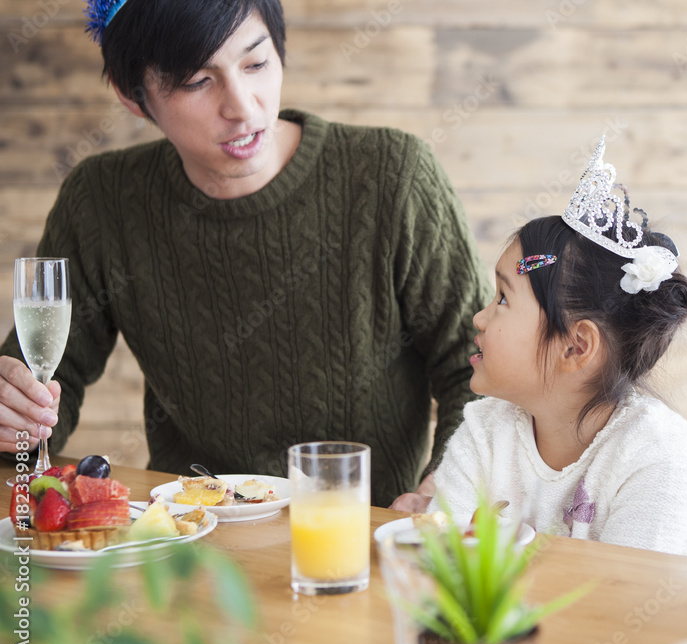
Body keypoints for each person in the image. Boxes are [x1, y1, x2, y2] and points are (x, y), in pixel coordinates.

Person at [0, 0, 490, 507]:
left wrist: (444, 489)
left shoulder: (393, 176)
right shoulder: (101, 201)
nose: (243, 106)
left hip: (359, 543)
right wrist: (16, 423)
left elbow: (478, 372)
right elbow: (41, 385)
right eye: (196, 80)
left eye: (255, 64)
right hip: (185, 543)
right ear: (133, 96)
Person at [398, 139, 687, 557]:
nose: (479, 318)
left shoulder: (657, 457)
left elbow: (631, 610)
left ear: (576, 346)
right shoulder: (484, 431)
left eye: (503, 299)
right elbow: (441, 566)